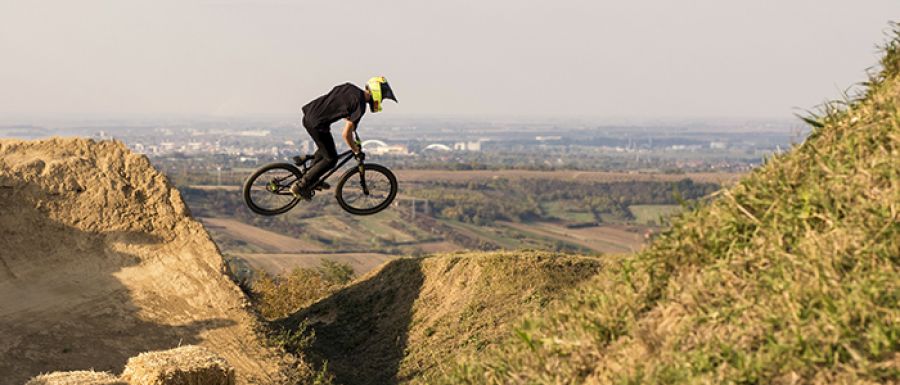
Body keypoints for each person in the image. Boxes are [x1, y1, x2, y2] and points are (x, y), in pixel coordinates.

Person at [291, 76, 397, 199]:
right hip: (317, 125)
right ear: (377, 92)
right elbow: (346, 135)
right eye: (383, 96)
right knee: (331, 159)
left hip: (309, 117)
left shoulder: (349, 87)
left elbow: (336, 103)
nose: (381, 100)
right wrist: (356, 150)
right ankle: (301, 186)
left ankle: (312, 178)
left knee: (325, 149)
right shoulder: (360, 105)